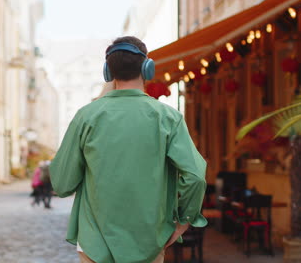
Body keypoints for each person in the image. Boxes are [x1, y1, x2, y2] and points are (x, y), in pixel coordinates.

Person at [50, 36, 207, 263]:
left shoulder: (86, 116)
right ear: (147, 68)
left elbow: (62, 183)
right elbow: (195, 176)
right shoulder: (168, 117)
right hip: (149, 242)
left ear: (108, 71)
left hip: (95, 244)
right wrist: (183, 223)